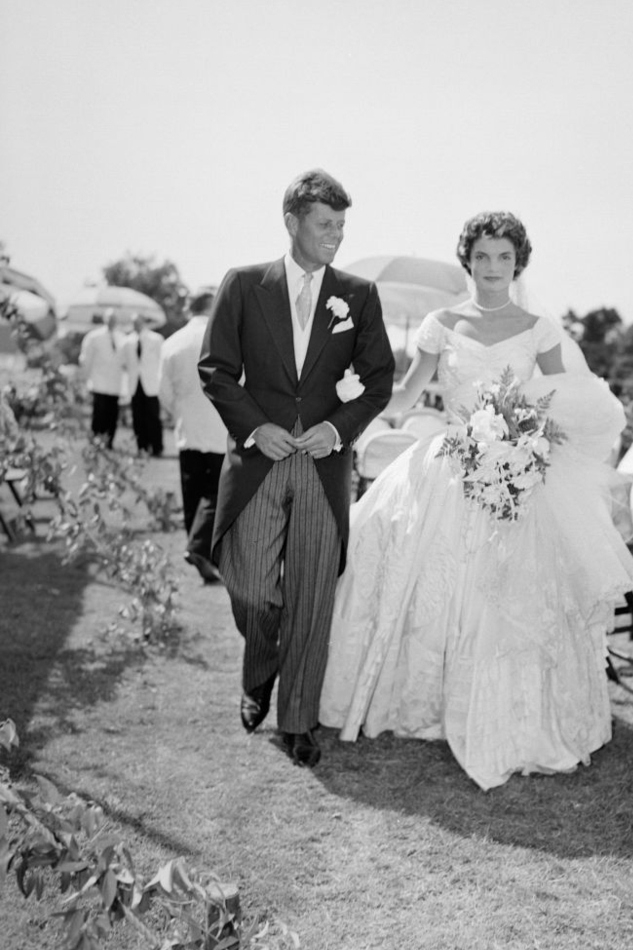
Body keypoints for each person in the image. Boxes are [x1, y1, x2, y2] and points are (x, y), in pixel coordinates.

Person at [319, 211, 633, 791]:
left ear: (519, 263)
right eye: (484, 256)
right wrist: (345, 398)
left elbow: (562, 400)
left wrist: (523, 439)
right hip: (448, 465)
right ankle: (421, 700)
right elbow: (408, 392)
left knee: (513, 588)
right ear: (467, 259)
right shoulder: (442, 323)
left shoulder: (539, 328)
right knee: (413, 569)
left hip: (516, 469)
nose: (493, 268)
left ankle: (511, 708)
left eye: (505, 258)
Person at [198, 168, 395, 767]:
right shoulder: (242, 284)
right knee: (252, 585)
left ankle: (299, 720)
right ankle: (260, 668)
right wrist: (258, 427)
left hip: (324, 465)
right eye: (323, 224)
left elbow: (379, 379)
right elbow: (216, 369)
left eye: (341, 225)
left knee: (312, 594)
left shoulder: (358, 295)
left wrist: (336, 429)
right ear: (292, 222)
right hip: (259, 460)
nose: (335, 235)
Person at [158, 290, 228, 584]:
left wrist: (181, 412)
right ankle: (202, 551)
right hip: (220, 427)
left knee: (193, 494)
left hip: (187, 430)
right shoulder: (225, 337)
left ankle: (196, 549)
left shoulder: (172, 342)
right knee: (216, 493)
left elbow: (163, 392)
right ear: (212, 307)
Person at [79, 309, 124, 449]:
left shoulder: (121, 337)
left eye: (114, 319)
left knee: (112, 415)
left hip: (115, 384)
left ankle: (109, 441)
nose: (112, 321)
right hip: (99, 382)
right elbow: (85, 359)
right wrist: (86, 380)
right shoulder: (94, 337)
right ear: (105, 319)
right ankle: (96, 440)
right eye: (109, 318)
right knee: (99, 414)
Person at [122, 313, 164, 456]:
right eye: (134, 323)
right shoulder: (127, 341)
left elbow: (161, 361)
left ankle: (157, 447)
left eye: (138, 322)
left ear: (143, 322)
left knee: (153, 417)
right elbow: (125, 364)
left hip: (151, 384)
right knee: (138, 418)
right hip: (135, 384)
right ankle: (142, 447)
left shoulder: (156, 339)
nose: (136, 325)